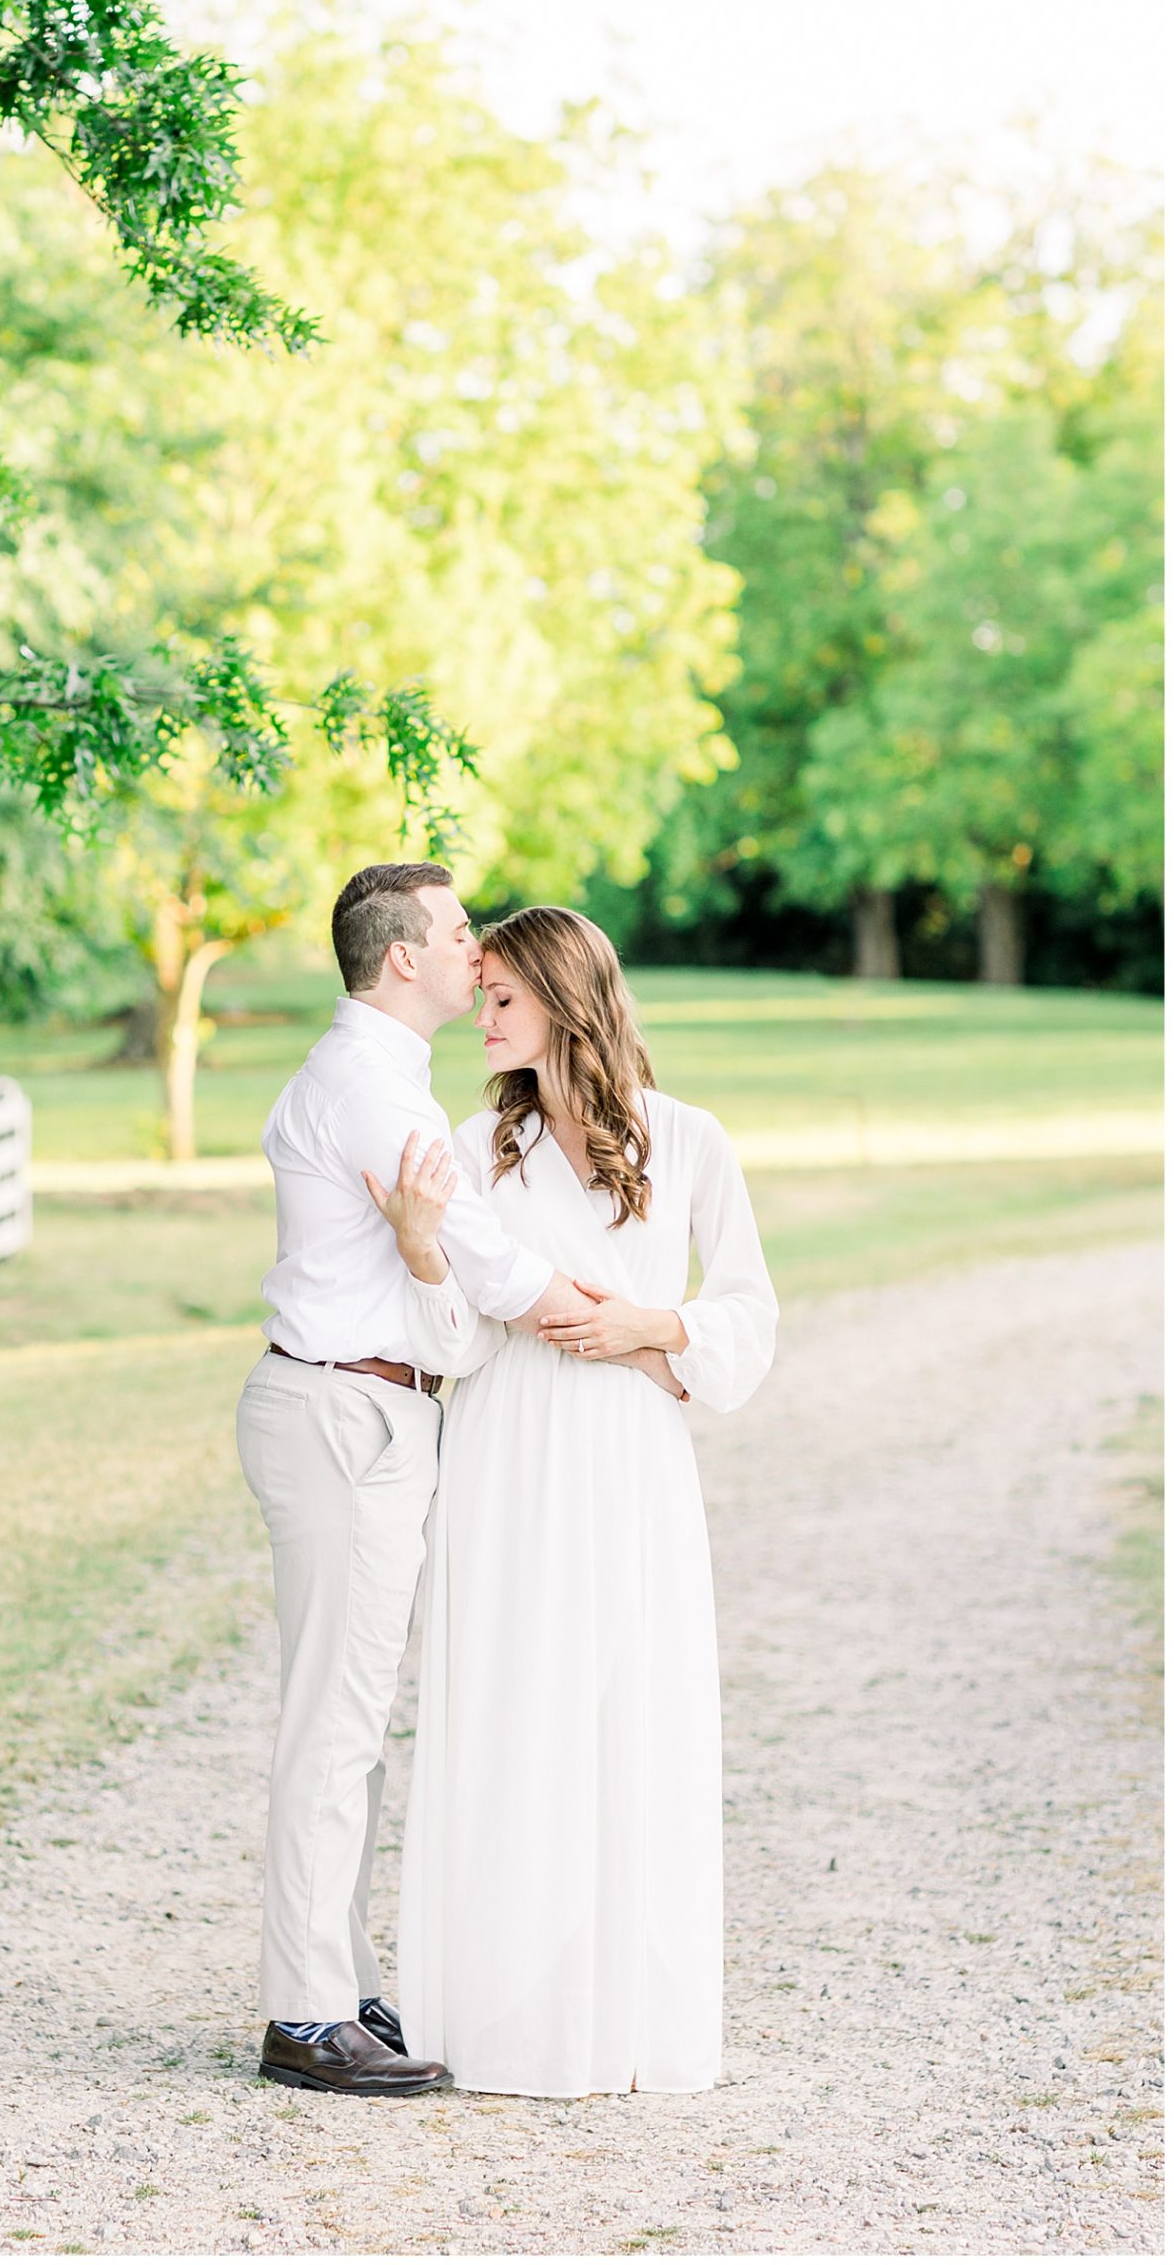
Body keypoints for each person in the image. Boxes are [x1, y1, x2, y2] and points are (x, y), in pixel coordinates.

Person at [237, 864, 687, 2098]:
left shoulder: (382, 1082)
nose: (471, 945)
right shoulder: (372, 1094)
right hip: (345, 1411)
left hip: (364, 1407)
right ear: (400, 960)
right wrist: (619, 1322)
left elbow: (448, 1282)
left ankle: (339, 1983)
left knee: (354, 1726)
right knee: (333, 1729)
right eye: (453, 929)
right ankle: (305, 2016)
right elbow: (486, 1266)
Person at [376, 905, 778, 2099]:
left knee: (628, 1713)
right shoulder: (470, 1147)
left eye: (498, 997)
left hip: (631, 1458)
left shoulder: (690, 1141)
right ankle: (505, 2021)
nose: (479, 1016)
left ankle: (629, 2024)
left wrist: (651, 1328)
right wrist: (422, 1250)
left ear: (561, 998)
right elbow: (453, 1341)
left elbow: (749, 1320)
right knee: (512, 1713)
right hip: (505, 1456)